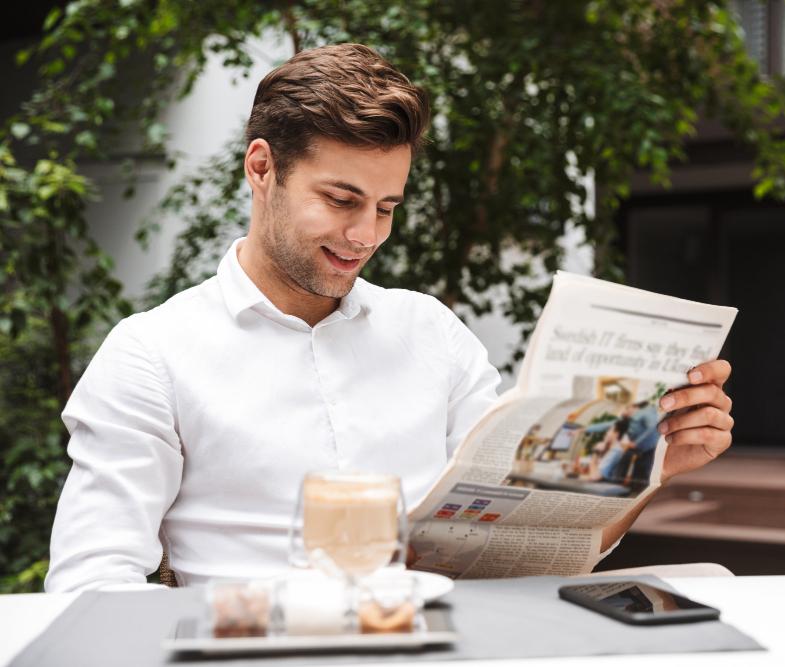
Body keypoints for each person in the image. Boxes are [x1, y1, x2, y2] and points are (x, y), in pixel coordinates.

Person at [45, 44, 735, 592]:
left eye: (387, 207)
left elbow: (529, 535)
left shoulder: (431, 332)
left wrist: (649, 470)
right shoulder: (152, 352)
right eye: (342, 199)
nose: (365, 234)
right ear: (262, 169)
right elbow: (90, 584)